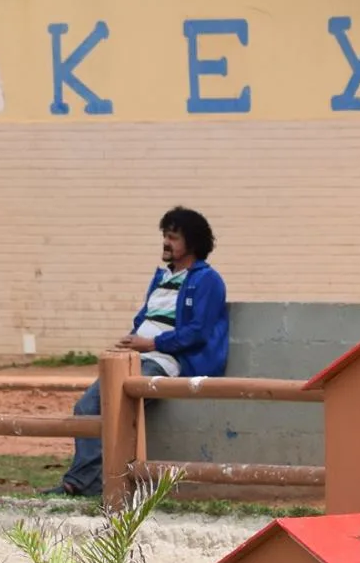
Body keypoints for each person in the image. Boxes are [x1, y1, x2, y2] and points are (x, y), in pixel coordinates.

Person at [48, 207, 228, 497]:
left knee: (114, 409)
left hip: (165, 362)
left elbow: (198, 332)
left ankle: (84, 483)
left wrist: (152, 344)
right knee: (85, 408)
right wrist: (132, 342)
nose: (166, 243)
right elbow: (145, 320)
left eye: (173, 237)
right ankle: (87, 482)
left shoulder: (207, 280)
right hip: (135, 358)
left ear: (192, 243)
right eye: (165, 236)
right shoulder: (162, 278)